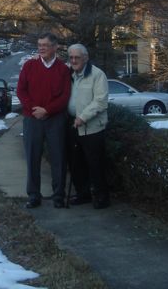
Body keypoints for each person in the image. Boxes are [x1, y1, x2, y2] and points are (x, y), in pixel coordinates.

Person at [16, 32, 72, 209]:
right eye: (39, 45)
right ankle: (34, 195)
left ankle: (58, 196)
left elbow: (65, 96)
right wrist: (35, 109)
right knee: (32, 158)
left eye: (45, 45)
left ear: (55, 47)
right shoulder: (29, 66)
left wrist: (47, 110)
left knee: (58, 159)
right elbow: (21, 91)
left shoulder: (63, 70)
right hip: (32, 119)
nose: (41, 48)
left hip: (55, 120)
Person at [66, 43, 110, 209]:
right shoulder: (69, 74)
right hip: (73, 125)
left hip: (92, 128)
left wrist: (83, 117)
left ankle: (102, 198)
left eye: (77, 57)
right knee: (76, 164)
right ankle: (83, 194)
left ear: (85, 58)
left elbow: (100, 101)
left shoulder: (97, 75)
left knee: (95, 164)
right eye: (71, 57)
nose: (73, 60)